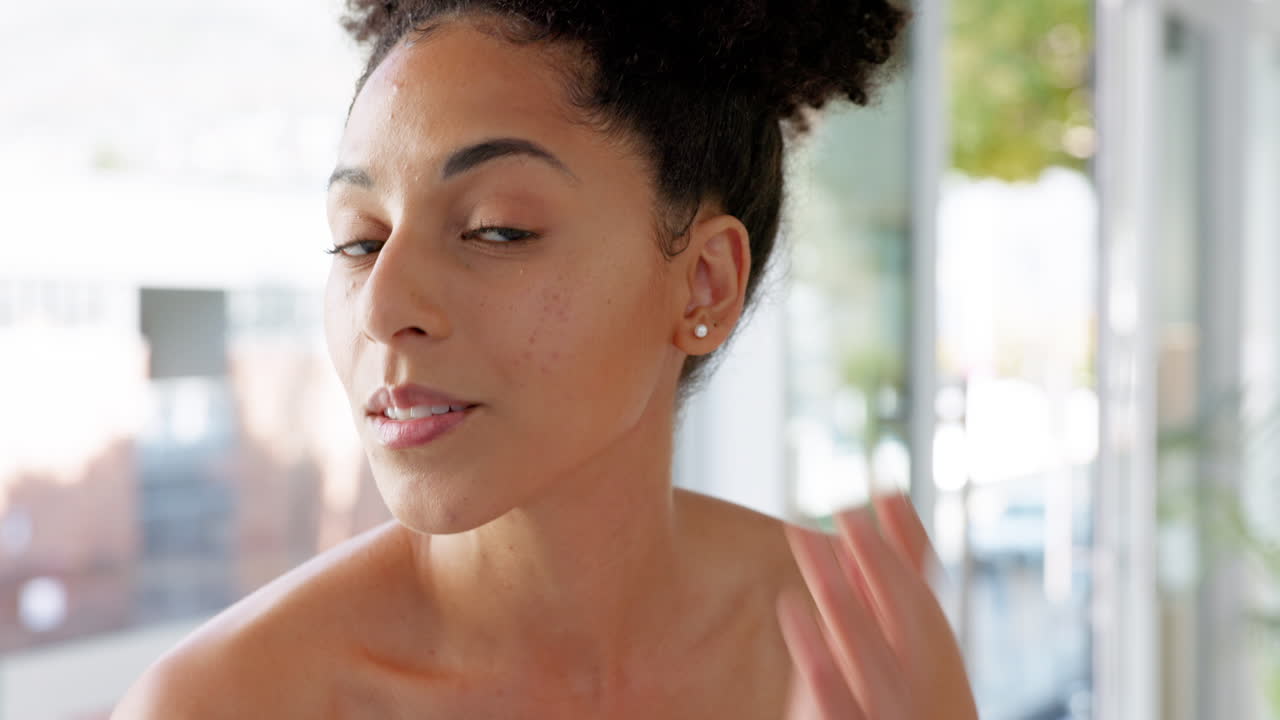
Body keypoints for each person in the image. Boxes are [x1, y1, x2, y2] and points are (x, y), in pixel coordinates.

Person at [114, 1, 977, 717]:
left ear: (704, 284)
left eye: (497, 228)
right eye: (360, 241)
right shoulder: (226, 704)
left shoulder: (859, 657)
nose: (381, 306)